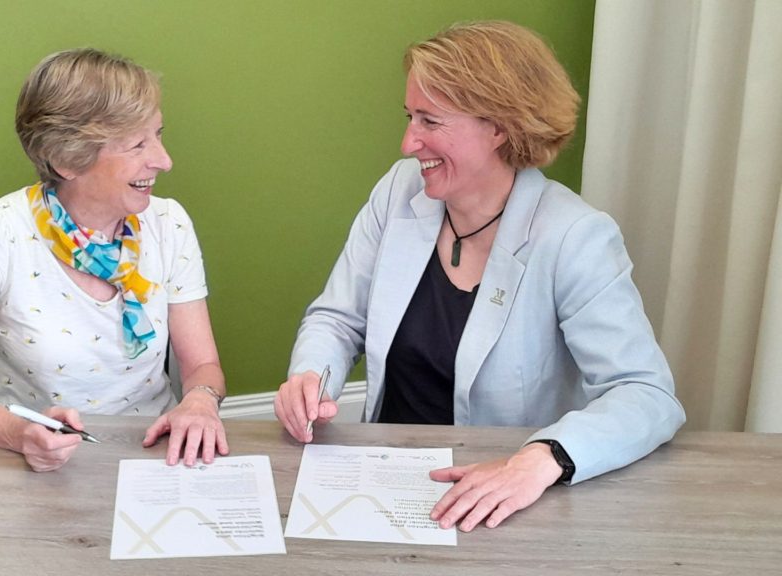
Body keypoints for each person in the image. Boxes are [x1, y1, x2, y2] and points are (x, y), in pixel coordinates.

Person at [274, 21, 685, 531]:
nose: (407, 143)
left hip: (498, 498)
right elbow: (337, 319)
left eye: (430, 121)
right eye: (409, 117)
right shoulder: (399, 191)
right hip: (381, 479)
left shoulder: (574, 237)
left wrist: (544, 458)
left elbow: (647, 394)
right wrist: (312, 374)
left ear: (499, 128)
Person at [0, 48, 228, 472]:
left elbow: (203, 365)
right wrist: (20, 435)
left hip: (152, 456)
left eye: (159, 134)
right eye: (137, 145)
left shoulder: (169, 223)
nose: (164, 161)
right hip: (28, 461)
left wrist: (201, 401)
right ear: (66, 160)